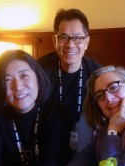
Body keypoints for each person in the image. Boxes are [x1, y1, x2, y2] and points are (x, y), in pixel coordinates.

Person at [38, 8, 101, 154]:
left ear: (86, 42)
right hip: (46, 142)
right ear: (55, 41)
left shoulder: (97, 74)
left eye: (78, 38)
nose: (70, 45)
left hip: (85, 143)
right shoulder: (39, 70)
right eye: (64, 37)